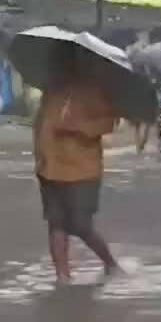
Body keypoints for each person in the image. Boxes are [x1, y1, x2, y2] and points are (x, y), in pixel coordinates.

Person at [34, 44, 122, 284]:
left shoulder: (94, 90)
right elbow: (40, 123)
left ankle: (110, 263)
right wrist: (39, 154)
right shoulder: (51, 90)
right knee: (56, 222)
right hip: (49, 166)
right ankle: (63, 277)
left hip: (82, 169)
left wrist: (77, 128)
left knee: (81, 225)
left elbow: (108, 123)